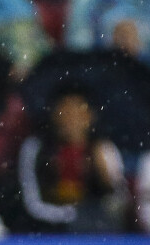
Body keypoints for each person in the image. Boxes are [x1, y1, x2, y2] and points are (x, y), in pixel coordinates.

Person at [18, 85, 127, 232]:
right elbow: (31, 204)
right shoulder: (36, 148)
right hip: (45, 231)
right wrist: (73, 216)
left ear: (90, 116)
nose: (71, 119)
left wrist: (107, 180)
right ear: (54, 114)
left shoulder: (104, 149)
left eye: (78, 112)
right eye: (65, 111)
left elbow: (121, 205)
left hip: (96, 230)